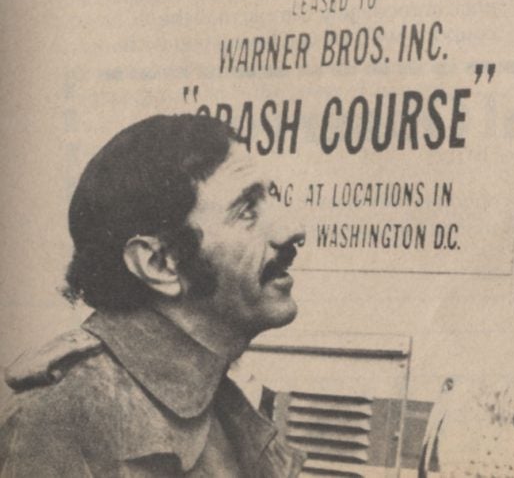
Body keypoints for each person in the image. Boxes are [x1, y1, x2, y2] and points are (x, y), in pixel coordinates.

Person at [0, 114, 308, 476]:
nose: (294, 230)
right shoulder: (63, 417)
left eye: (271, 198)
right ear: (159, 263)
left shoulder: (220, 402)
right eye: (246, 211)